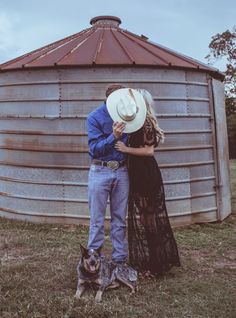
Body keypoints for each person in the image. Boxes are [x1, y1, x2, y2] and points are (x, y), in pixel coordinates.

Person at [115, 89, 181, 276]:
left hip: (146, 174)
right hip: (137, 174)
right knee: (144, 218)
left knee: (150, 220)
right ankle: (153, 261)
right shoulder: (136, 122)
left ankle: (157, 264)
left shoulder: (147, 123)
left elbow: (148, 151)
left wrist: (125, 149)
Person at [87, 84, 129, 264]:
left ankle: (119, 259)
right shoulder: (94, 117)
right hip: (100, 170)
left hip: (122, 170)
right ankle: (95, 260)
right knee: (97, 219)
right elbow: (94, 149)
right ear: (110, 100)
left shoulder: (128, 116)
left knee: (120, 218)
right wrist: (113, 136)